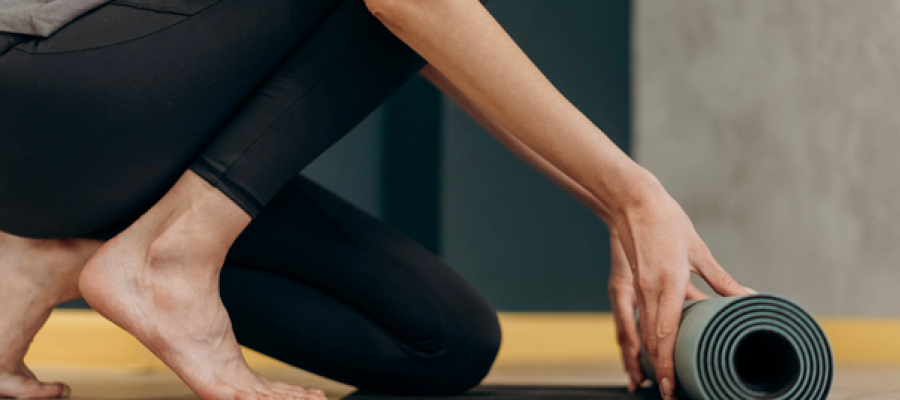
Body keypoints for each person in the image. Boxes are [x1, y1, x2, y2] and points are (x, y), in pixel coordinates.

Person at [0, 0, 755, 399]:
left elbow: (432, 39)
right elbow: (408, 6)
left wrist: (615, 208)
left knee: (443, 341)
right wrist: (634, 194)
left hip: (96, 140)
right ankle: (170, 258)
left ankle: (56, 255)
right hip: (39, 96)